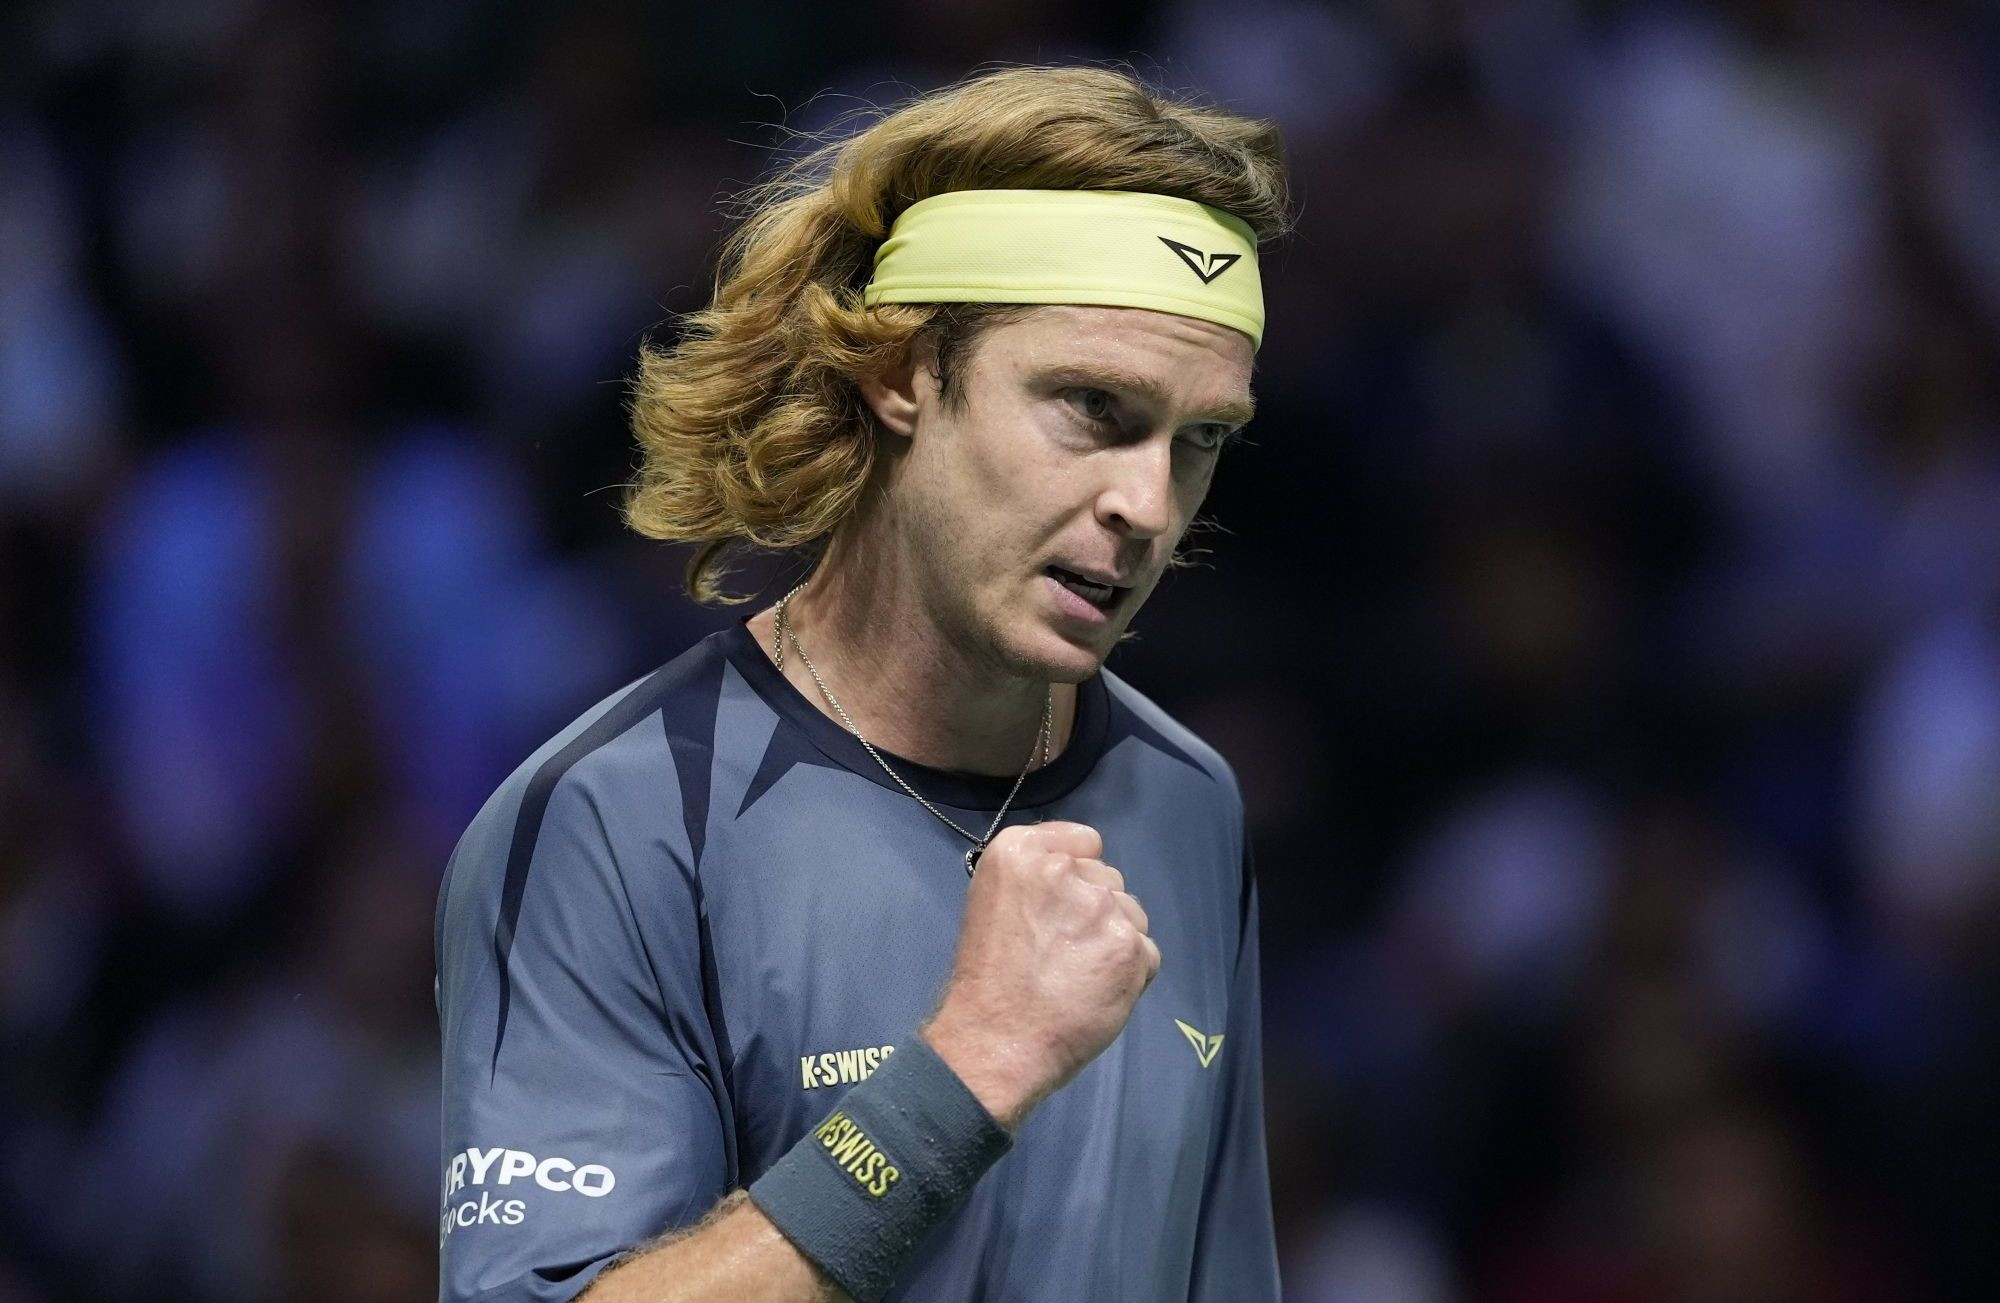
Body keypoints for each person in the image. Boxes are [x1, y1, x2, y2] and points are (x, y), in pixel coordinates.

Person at [435, 64, 1288, 1302]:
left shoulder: (1190, 799)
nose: (1148, 504)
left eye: (1199, 439)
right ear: (900, 373)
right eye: (1091, 407)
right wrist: (971, 1067)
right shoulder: (615, 822)